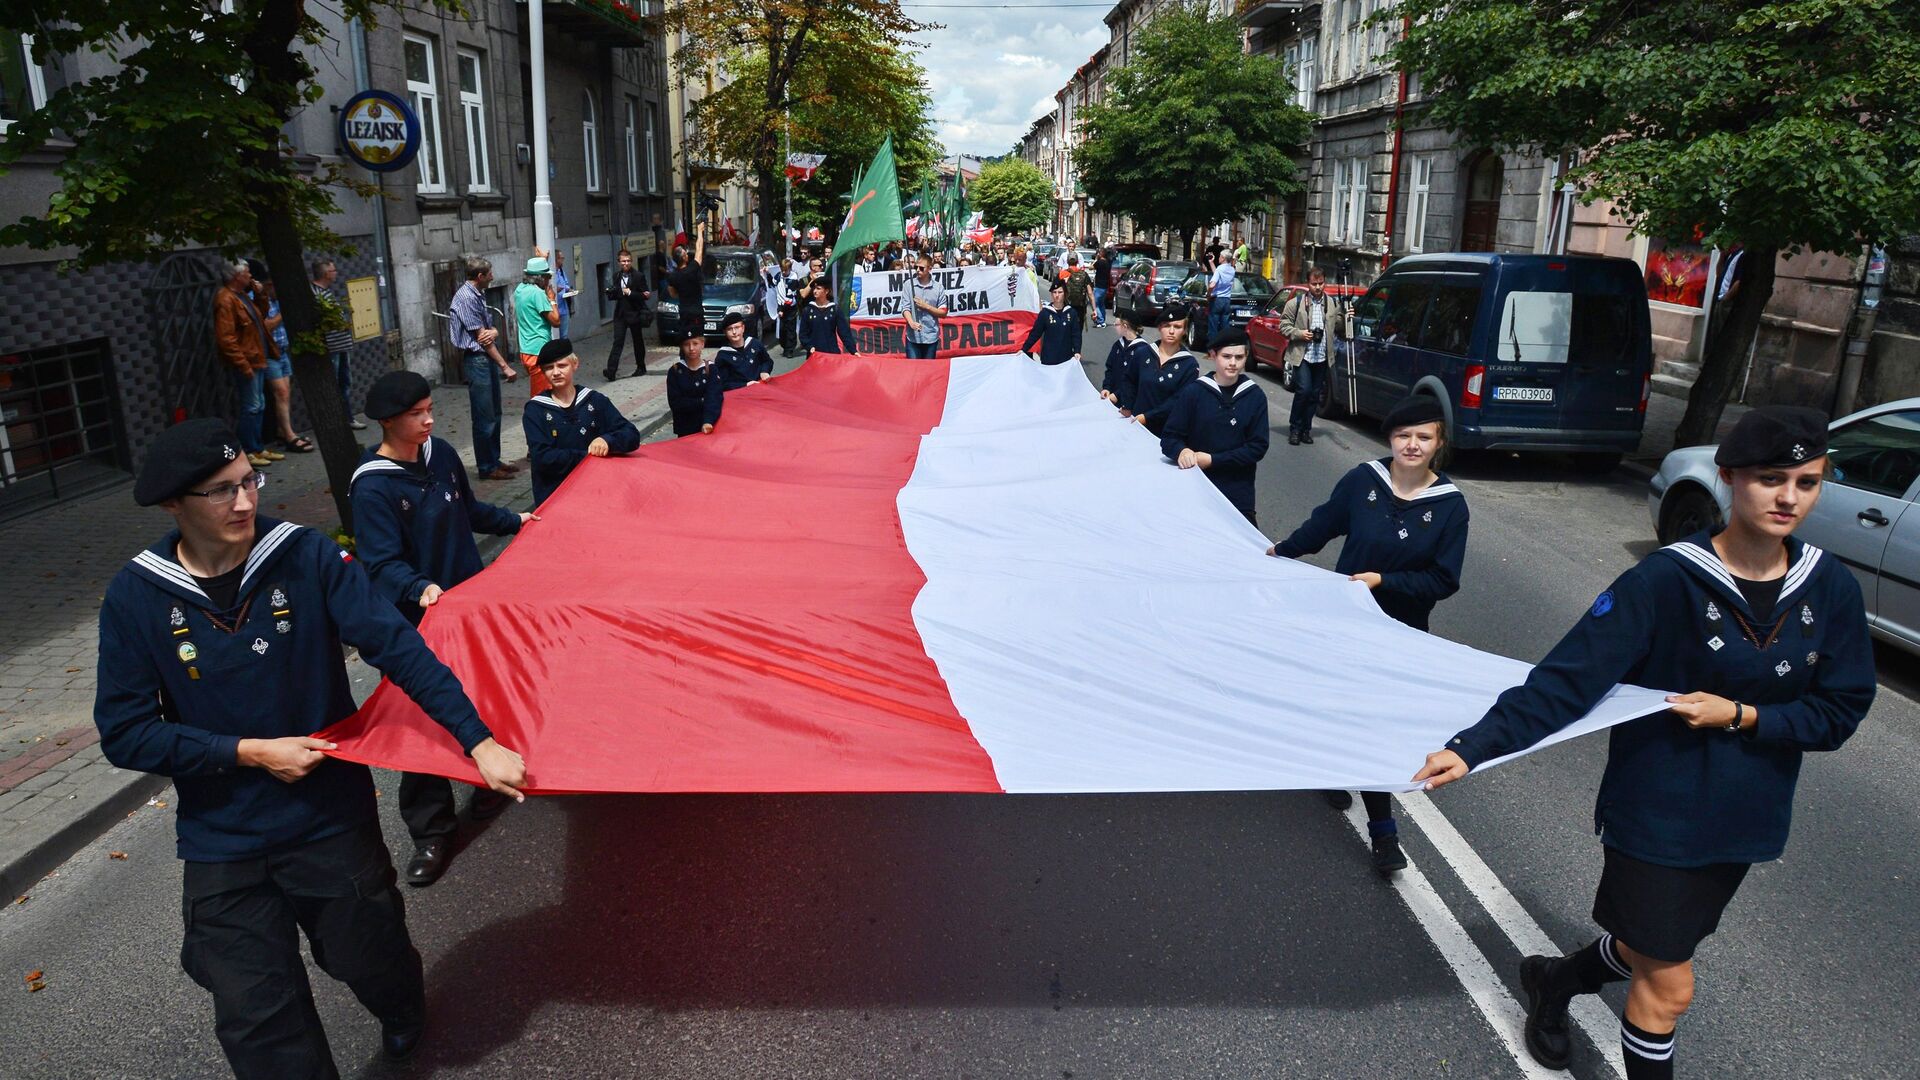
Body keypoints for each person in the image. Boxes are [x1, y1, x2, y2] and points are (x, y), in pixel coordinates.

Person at [1412, 406, 1871, 1080]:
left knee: (1651, 944)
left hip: (1747, 815)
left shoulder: (1829, 587)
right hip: (1657, 813)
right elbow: (1569, 681)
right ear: (1727, 479)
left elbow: (1839, 710)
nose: (1788, 497)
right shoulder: (1665, 580)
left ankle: (1556, 981)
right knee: (1669, 985)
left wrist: (1742, 715)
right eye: (1770, 478)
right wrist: (1475, 744)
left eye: (1807, 481)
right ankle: (1567, 991)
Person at [94, 418, 527, 1078]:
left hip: (327, 818)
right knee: (255, 1017)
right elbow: (124, 732)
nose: (244, 503)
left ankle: (402, 1007)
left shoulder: (305, 556)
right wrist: (246, 751)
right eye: (220, 492)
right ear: (173, 506)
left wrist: (479, 740)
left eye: (248, 483)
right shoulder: (137, 595)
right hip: (222, 836)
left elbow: (398, 647)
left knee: (367, 954)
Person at [348, 371, 537, 886]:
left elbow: (470, 511)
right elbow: (380, 563)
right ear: (389, 422)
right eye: (417, 414)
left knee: (484, 695)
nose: (429, 419)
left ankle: (486, 781)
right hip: (420, 623)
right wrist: (421, 587)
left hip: (470, 608)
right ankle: (431, 832)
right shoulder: (372, 486)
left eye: (431, 408)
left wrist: (517, 520)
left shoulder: (441, 454)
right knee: (426, 719)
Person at [1271, 395, 1468, 873]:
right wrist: (1278, 553)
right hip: (1347, 624)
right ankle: (1357, 794)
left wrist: (1386, 581)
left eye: (1424, 437)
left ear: (1439, 443)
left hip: (1401, 632)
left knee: (1376, 721)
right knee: (1343, 707)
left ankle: (1379, 824)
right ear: (1391, 438)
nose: (1412, 445)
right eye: (1404, 435)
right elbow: (1323, 525)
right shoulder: (1364, 481)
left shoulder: (1450, 506)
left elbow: (1444, 580)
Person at [1159, 327, 1269, 524]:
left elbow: (1257, 447)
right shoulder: (1194, 392)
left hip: (1237, 492)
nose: (1233, 363)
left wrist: (1213, 460)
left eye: (1239, 357)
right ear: (1213, 355)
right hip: (1195, 488)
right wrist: (1182, 452)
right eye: (1226, 356)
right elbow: (1169, 438)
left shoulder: (1255, 396)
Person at [522, 339, 642, 507]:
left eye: (561, 366)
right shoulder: (535, 410)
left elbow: (631, 434)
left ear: (575, 364)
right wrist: (588, 455)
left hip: (597, 493)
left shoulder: (595, 400)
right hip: (556, 497)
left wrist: (607, 441)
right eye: (549, 368)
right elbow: (542, 458)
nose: (556, 372)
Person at [447, 256, 520, 481]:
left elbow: (489, 331)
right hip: (476, 359)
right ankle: (487, 467)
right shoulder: (467, 298)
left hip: (483, 358)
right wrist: (505, 366)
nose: (493, 277)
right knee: (484, 416)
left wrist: (495, 331)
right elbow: (483, 338)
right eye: (489, 273)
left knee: (494, 413)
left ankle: (494, 459)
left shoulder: (477, 293)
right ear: (480, 277)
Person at [212, 260, 277, 468]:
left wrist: (260, 294)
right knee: (252, 406)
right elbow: (226, 338)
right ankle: (249, 449)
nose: (250, 276)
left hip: (257, 358)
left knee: (259, 405)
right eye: (247, 272)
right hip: (248, 361)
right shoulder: (225, 299)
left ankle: (258, 447)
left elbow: (263, 314)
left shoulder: (241, 296)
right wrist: (243, 364)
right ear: (236, 275)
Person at [1279, 265, 1351, 446]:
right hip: (1302, 355)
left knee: (1314, 395)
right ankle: (1295, 428)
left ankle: (1306, 429)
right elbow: (1283, 326)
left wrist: (1348, 316)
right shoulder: (1296, 303)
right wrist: (1300, 333)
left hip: (1322, 356)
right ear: (1308, 283)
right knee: (1303, 390)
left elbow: (1339, 328)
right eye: (1314, 284)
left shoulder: (1332, 303)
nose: (1318, 287)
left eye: (1321, 283)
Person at [248, 262, 315, 457]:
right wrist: (283, 313)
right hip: (268, 353)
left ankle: (282, 430)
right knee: (281, 393)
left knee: (285, 393)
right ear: (268, 285)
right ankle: (288, 434)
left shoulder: (276, 301)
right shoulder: (257, 299)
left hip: (282, 351)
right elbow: (265, 326)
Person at [310, 259, 366, 429]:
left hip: (340, 345)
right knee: (335, 384)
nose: (336, 273)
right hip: (332, 346)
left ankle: (346, 418)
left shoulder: (326, 292)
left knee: (344, 383)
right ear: (326, 273)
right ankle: (335, 421)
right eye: (333, 270)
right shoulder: (315, 293)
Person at [1129, 304, 1200, 436]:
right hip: (1135, 424)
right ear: (1160, 327)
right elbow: (1129, 381)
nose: (1171, 331)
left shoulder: (1189, 365)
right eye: (1167, 326)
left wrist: (1147, 417)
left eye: (1177, 327)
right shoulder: (1143, 353)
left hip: (1166, 431)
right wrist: (1125, 404)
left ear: (1184, 330)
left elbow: (1179, 401)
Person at [512, 255, 560, 396]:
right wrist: (551, 300)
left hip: (526, 348)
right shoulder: (537, 294)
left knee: (542, 389)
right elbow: (556, 321)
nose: (548, 280)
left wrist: (541, 258)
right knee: (542, 395)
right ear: (540, 278)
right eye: (547, 277)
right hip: (538, 350)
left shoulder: (520, 290)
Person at [603, 248, 651, 380]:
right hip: (620, 314)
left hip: (635, 313)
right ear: (619, 262)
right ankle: (611, 371)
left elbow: (645, 295)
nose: (626, 263)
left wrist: (631, 293)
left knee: (638, 341)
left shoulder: (638, 276)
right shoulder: (616, 276)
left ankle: (641, 367)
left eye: (628, 261)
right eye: (623, 261)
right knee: (618, 341)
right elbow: (616, 295)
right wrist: (612, 292)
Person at [666, 334, 724, 437]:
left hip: (707, 426)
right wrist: (701, 401)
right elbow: (675, 402)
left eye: (695, 343)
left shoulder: (710, 369)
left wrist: (708, 420)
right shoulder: (675, 371)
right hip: (684, 427)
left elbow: (714, 397)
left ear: (702, 344)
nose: (691, 348)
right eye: (686, 345)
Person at [1099, 314, 1154, 416]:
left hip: (1130, 402)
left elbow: (1137, 380)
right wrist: (1107, 387)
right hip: (1112, 397)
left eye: (1116, 325)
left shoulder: (1143, 349)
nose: (1115, 327)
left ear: (1125, 326)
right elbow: (1110, 369)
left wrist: (1118, 394)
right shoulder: (1117, 345)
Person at [1020, 280, 1083, 366]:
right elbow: (1035, 333)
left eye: (1060, 292)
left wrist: (1077, 351)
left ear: (1065, 294)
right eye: (1054, 292)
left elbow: (1076, 334)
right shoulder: (1045, 313)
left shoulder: (1071, 313)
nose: (1057, 295)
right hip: (1049, 358)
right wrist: (1024, 349)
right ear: (1051, 294)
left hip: (1066, 358)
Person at [667, 223, 709, 340]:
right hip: (696, 312)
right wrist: (700, 232)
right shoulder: (692, 269)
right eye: (686, 253)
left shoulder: (673, 276)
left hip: (684, 311)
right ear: (685, 257)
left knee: (685, 336)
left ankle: (683, 356)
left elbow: (672, 293)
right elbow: (699, 251)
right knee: (697, 338)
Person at [796, 277, 859, 355]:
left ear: (826, 291)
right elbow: (803, 334)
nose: (815, 291)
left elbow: (844, 332)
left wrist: (853, 350)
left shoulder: (835, 310)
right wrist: (809, 346)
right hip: (814, 354)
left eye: (818, 289)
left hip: (832, 353)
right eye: (814, 289)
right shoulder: (808, 310)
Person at [713, 312, 774, 390]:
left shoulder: (755, 344)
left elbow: (767, 361)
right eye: (730, 329)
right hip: (740, 394)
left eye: (737, 327)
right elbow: (723, 383)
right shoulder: (723, 355)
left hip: (761, 388)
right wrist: (745, 385)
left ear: (743, 328)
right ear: (725, 332)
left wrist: (764, 371)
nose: (734, 332)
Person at [904, 253, 948, 359]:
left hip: (931, 336)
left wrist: (926, 306)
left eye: (921, 268)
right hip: (912, 337)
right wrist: (911, 322)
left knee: (928, 371)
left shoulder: (938, 288)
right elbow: (905, 308)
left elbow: (943, 313)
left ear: (929, 269)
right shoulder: (908, 285)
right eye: (916, 267)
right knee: (913, 370)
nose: (918, 270)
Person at [1206, 251, 1237, 340]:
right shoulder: (1232, 269)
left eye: (1220, 256)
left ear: (1223, 258)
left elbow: (1212, 284)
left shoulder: (1220, 269)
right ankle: (1224, 344)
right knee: (1225, 324)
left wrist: (1208, 294)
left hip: (1217, 300)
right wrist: (1211, 262)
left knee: (1213, 325)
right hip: (1226, 300)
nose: (1219, 258)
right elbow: (1217, 273)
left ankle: (1213, 347)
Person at [1063, 254, 1093, 331]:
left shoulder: (1063, 274)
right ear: (1077, 261)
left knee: (1067, 331)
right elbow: (1090, 293)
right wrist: (1094, 309)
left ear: (1067, 261)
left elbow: (1056, 291)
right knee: (1078, 331)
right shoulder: (1084, 274)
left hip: (1066, 307)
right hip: (1080, 307)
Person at [550, 249, 573, 342]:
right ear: (556, 259)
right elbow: (550, 288)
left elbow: (565, 283)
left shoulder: (561, 271)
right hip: (555, 307)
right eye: (561, 258)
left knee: (564, 335)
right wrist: (556, 289)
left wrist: (569, 289)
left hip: (564, 308)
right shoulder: (552, 272)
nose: (563, 260)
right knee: (556, 337)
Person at [1091, 248, 1112, 328]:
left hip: (1099, 286)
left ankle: (1100, 321)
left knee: (1095, 304)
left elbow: (1091, 267)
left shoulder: (1099, 262)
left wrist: (1096, 259)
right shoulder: (1108, 262)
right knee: (1101, 304)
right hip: (1105, 286)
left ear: (1101, 254)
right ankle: (1102, 319)